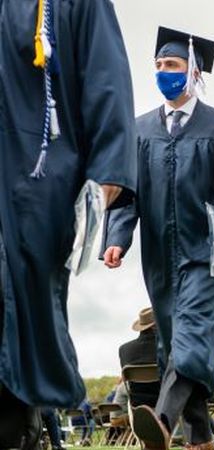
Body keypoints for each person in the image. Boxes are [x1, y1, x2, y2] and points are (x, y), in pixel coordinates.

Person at [103, 27, 214, 450]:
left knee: (194, 335)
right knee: (174, 341)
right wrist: (117, 236)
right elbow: (126, 194)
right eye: (158, 66)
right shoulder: (140, 130)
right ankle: (201, 439)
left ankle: (161, 419)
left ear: (194, 72)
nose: (164, 72)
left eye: (172, 65)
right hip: (159, 256)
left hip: (209, 254)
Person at [0, 0, 137, 445]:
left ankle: (24, 429)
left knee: (20, 319)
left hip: (37, 188)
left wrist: (108, 176)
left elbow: (106, 82)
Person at [119, 307, 160, 408]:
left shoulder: (124, 349)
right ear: (156, 326)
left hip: (138, 405)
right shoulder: (166, 346)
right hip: (164, 402)